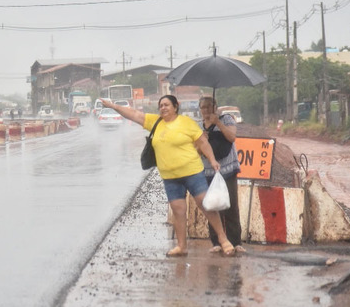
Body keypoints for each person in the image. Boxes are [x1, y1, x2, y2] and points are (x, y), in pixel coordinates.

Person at [100, 95, 235, 257]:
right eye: (161, 105)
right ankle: (181, 246)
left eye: (166, 105)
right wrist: (114, 106)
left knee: (205, 204)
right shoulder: (155, 122)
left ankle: (223, 239)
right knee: (178, 210)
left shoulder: (187, 123)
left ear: (175, 106)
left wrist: (212, 160)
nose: (163, 108)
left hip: (192, 173)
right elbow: (134, 114)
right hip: (170, 177)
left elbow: (203, 143)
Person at [198, 96, 244, 253]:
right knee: (212, 205)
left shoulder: (227, 119)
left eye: (209, 106)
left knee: (231, 205)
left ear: (216, 107)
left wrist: (218, 123)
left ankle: (236, 242)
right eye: (203, 107)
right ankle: (216, 242)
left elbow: (232, 137)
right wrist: (202, 140)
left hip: (228, 169)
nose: (206, 110)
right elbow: (196, 152)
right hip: (209, 172)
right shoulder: (199, 126)